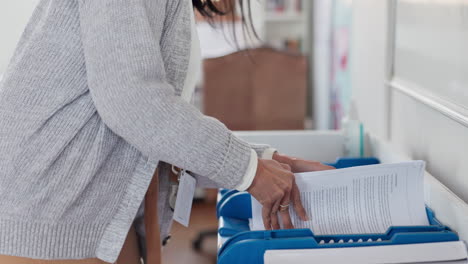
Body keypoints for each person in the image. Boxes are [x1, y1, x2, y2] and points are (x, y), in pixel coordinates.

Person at [0, 0, 333, 263]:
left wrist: (265, 161)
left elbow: (153, 120)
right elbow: (133, 101)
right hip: (55, 213)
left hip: (86, 214)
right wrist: (249, 170)